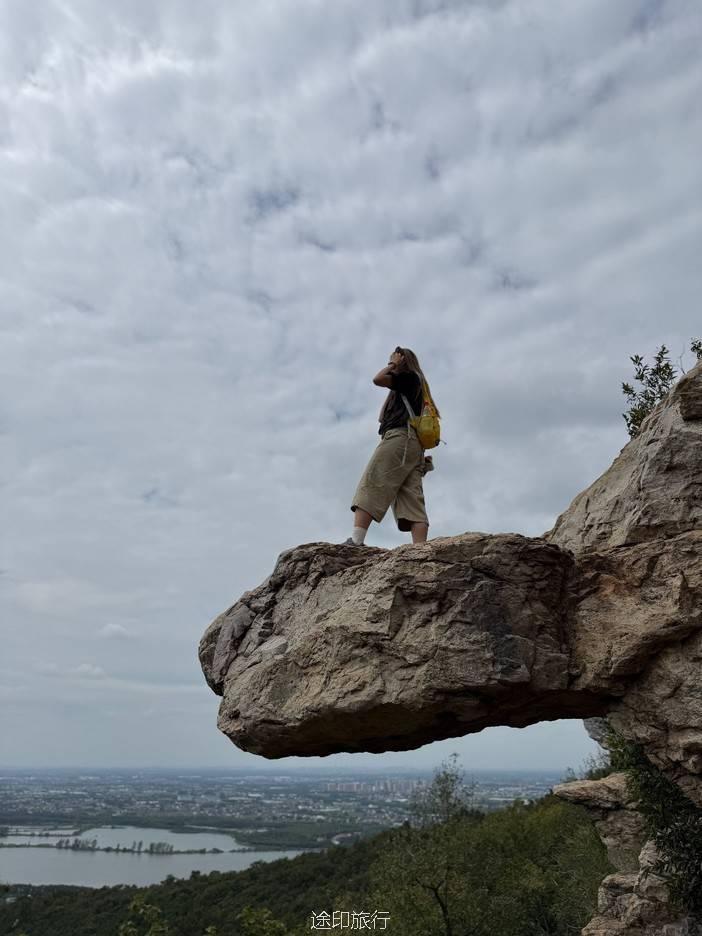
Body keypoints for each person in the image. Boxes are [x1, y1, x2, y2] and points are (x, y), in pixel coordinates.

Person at [344, 346, 439, 547]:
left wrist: (392, 364)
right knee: (412, 497)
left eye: (395, 359)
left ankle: (356, 541)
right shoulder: (416, 383)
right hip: (414, 446)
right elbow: (381, 417)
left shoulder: (409, 378)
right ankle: (420, 550)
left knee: (374, 480)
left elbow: (377, 379)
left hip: (400, 438)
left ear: (402, 360)